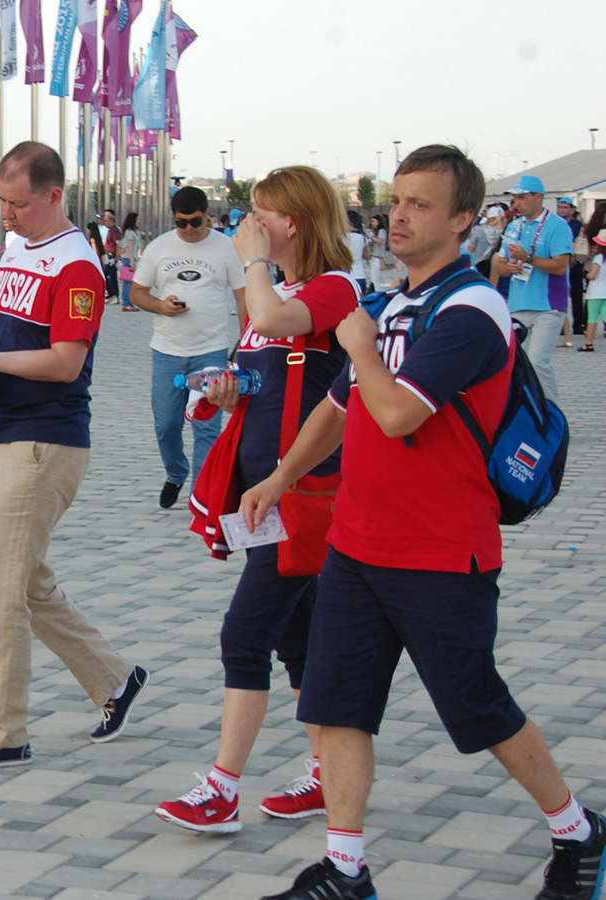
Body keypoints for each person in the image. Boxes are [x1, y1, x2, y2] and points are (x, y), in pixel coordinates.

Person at [241, 144, 606, 900]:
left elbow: (399, 410)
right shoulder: (390, 303)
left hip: (440, 553)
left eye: (420, 204)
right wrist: (280, 477)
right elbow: (340, 408)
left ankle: (577, 831)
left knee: (475, 707)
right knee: (337, 705)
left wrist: (363, 348)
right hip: (357, 546)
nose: (398, 215)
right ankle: (345, 870)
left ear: (463, 219)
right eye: (396, 200)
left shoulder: (472, 310)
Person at [0, 141, 148, 771]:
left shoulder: (78, 265)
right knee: (28, 581)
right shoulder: (18, 248)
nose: (8, 216)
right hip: (8, 432)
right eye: (2, 202)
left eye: (19, 204)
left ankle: (0, 734)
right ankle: (114, 678)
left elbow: (64, 361)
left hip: (46, 441)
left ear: (54, 195)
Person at [155, 165, 359, 834]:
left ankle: (221, 789)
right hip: (261, 496)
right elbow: (263, 370)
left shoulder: (331, 288)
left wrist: (249, 264)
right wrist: (229, 388)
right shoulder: (275, 290)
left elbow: (273, 319)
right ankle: (330, 774)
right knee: (298, 641)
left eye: (261, 214)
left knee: (244, 635)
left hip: (301, 493)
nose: (250, 226)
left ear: (293, 222)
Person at [130, 186, 247, 509]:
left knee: (207, 427)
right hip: (166, 352)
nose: (189, 229)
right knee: (166, 425)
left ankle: (202, 495)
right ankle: (176, 471)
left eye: (195, 221)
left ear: (207, 214)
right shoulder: (158, 248)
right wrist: (159, 305)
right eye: (181, 223)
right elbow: (136, 292)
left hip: (210, 350)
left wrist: (247, 343)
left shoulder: (226, 248)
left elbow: (242, 295)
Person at [497, 175, 572, 406]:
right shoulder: (514, 226)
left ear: (538, 197)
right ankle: (528, 414)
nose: (516, 203)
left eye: (521, 197)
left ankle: (552, 415)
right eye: (514, 198)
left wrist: (528, 258)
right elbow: (499, 264)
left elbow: (561, 266)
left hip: (548, 306)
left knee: (537, 361)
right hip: (517, 305)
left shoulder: (556, 225)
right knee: (518, 366)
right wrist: (508, 266)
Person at [557, 197, 586, 335]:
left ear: (571, 209)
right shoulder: (555, 223)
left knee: (577, 294)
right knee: (561, 294)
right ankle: (562, 325)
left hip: (575, 261)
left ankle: (578, 323)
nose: (562, 210)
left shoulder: (577, 225)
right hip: (560, 260)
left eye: (565, 207)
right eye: (560, 207)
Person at [578, 229, 606, 352]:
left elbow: (593, 275)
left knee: (592, 318)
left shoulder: (599, 258)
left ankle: (589, 343)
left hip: (595, 291)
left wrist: (588, 274)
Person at [466, 204, 506, 277]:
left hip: (478, 267)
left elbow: (469, 251)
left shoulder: (480, 231)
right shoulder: (506, 233)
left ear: (490, 219)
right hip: (499, 270)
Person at [118, 211, 141, 312]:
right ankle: (126, 303)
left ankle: (129, 302)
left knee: (129, 282)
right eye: (137, 219)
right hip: (128, 258)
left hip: (130, 257)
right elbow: (130, 247)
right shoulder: (130, 232)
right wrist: (132, 261)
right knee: (128, 282)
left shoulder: (131, 232)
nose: (138, 221)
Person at [346, 209, 370, 294]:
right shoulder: (362, 237)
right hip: (359, 275)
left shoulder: (339, 238)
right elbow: (367, 256)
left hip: (345, 275)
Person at [102, 209, 122, 304]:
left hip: (112, 256)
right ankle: (116, 295)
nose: (104, 223)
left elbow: (118, 243)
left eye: (106, 221)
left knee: (104, 274)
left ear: (111, 221)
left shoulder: (115, 231)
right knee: (113, 276)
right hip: (110, 255)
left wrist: (117, 255)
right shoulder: (111, 230)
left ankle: (112, 293)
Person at [367, 214, 387, 292]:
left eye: (373, 221)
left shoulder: (381, 231)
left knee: (375, 278)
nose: (372, 223)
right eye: (371, 221)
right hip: (373, 256)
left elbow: (380, 240)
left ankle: (376, 291)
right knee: (373, 277)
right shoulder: (374, 231)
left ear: (378, 222)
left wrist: (371, 237)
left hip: (377, 256)